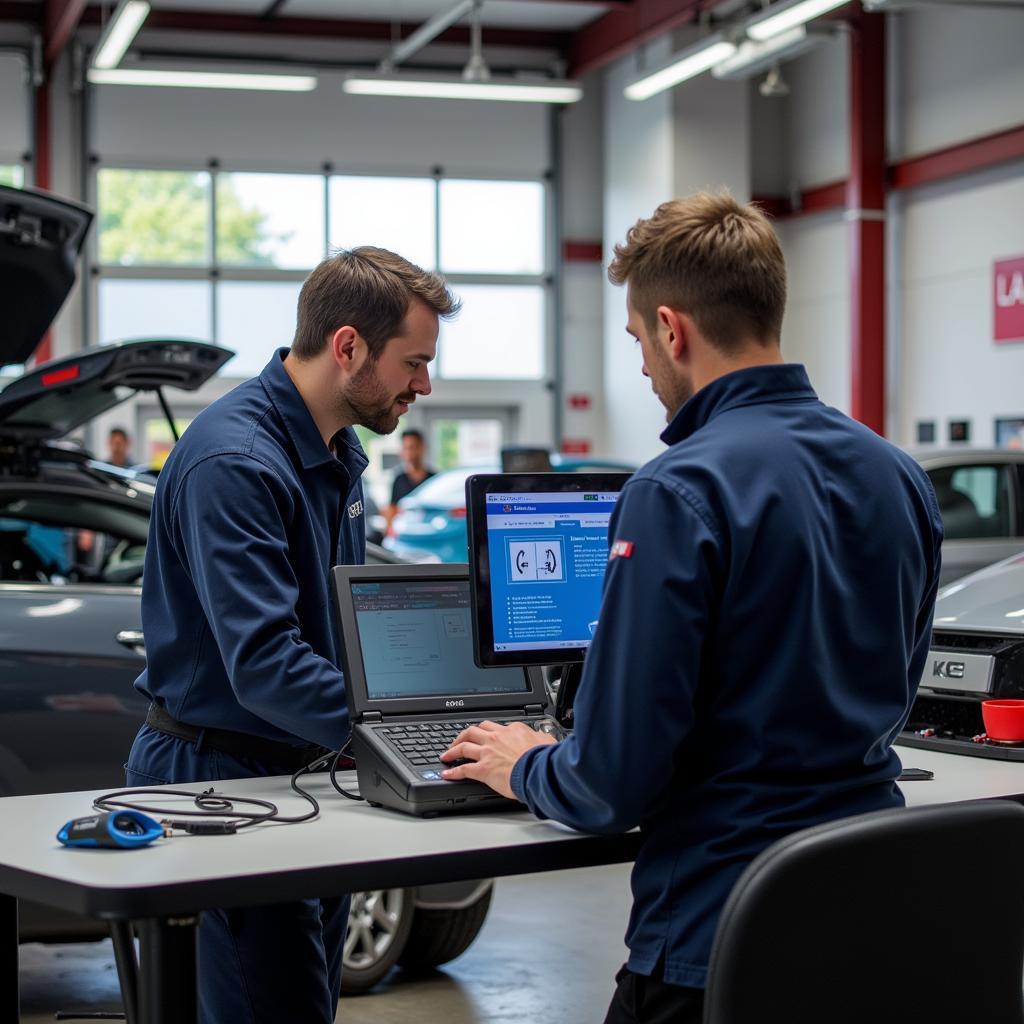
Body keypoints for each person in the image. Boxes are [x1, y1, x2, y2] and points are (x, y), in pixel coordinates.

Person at [441, 192, 944, 1024]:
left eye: (639, 340)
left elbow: (611, 783)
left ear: (673, 329)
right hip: (871, 921)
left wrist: (523, 762)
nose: (642, 365)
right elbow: (896, 689)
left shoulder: (677, 489)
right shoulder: (897, 475)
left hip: (720, 936)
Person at [126, 247, 459, 1024]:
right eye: (413, 362)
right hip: (219, 777)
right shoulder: (237, 463)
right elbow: (268, 665)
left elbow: (343, 620)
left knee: (305, 1002)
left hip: (301, 770)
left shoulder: (340, 451)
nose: (425, 385)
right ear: (348, 347)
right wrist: (408, 728)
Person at [385, 427, 435, 526]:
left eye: (412, 447)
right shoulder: (399, 480)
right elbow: (392, 509)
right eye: (405, 448)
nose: (409, 453)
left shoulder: (434, 480)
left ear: (422, 448)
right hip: (405, 533)